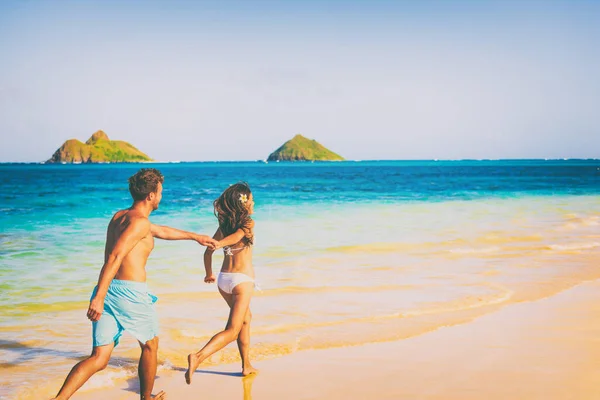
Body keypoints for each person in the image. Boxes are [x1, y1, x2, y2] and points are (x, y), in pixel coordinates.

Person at [51, 168, 218, 400]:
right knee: (150, 345)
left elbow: (161, 231)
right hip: (129, 293)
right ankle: (145, 398)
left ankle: (59, 399)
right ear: (151, 195)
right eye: (160, 192)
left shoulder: (121, 217)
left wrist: (195, 237)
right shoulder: (139, 223)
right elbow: (116, 257)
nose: (161, 196)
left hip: (109, 289)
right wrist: (97, 298)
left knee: (99, 358)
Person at [186, 182, 258, 384]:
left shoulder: (223, 225)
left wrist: (209, 273)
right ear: (244, 203)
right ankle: (198, 357)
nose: (253, 202)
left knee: (246, 319)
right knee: (233, 330)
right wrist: (221, 243)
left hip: (224, 280)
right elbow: (237, 237)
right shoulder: (248, 223)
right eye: (251, 199)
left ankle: (246, 365)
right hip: (242, 281)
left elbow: (208, 250)